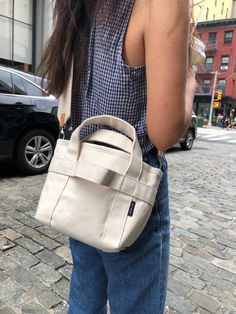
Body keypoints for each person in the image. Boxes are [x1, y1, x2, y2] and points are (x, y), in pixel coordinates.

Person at [39, 1, 196, 313]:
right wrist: (189, 83)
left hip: (83, 176)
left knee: (85, 294)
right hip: (129, 187)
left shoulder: (81, 5)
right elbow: (164, 134)